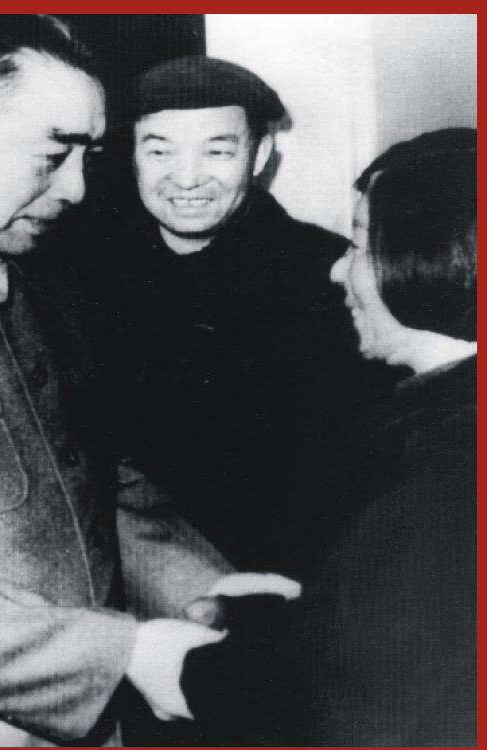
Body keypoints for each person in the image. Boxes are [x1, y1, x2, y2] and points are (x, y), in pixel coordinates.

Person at [0, 16, 297, 747]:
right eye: (53, 154)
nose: (77, 188)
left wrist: (199, 587)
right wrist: (124, 654)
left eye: (89, 155)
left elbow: (90, 477)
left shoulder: (33, 281)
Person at [181, 127, 476, 746]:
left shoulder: (451, 463)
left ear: (430, 256)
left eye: (361, 243)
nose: (340, 268)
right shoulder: (445, 418)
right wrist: (304, 608)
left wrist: (180, 668)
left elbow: (357, 711)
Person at [102, 54, 397, 577]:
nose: (186, 178)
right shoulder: (84, 267)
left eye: (217, 151)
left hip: (282, 584)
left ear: (259, 156)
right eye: (159, 150)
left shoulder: (328, 276)